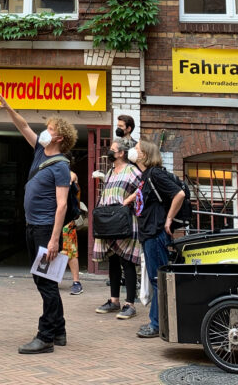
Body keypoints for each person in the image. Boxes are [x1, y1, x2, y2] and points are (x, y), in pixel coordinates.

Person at [0, 94, 75, 354]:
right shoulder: (41, 152)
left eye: (50, 129)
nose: (45, 131)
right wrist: (8, 107)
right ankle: (59, 330)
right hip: (33, 228)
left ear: (59, 137)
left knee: (45, 283)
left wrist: (53, 240)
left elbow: (62, 205)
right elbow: (23, 126)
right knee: (44, 279)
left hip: (45, 231)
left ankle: (46, 337)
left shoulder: (61, 166)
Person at [125, 138, 186, 338]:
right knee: (155, 279)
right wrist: (131, 198)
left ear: (145, 154)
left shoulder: (156, 174)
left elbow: (179, 194)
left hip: (156, 234)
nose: (133, 151)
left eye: (136, 149)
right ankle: (157, 321)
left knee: (158, 280)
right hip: (148, 234)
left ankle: (157, 324)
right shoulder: (146, 176)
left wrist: (168, 220)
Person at [93, 137, 141, 320]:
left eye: (113, 149)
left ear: (121, 153)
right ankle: (114, 301)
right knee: (112, 260)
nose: (110, 152)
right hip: (109, 221)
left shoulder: (131, 170)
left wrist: (128, 201)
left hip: (125, 221)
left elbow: (142, 187)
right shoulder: (111, 172)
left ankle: (130, 304)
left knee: (127, 261)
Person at [63, 171, 83, 295]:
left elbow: (72, 177)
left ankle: (76, 282)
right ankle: (51, 278)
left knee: (70, 250)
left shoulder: (70, 175)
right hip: (52, 219)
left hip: (67, 220)